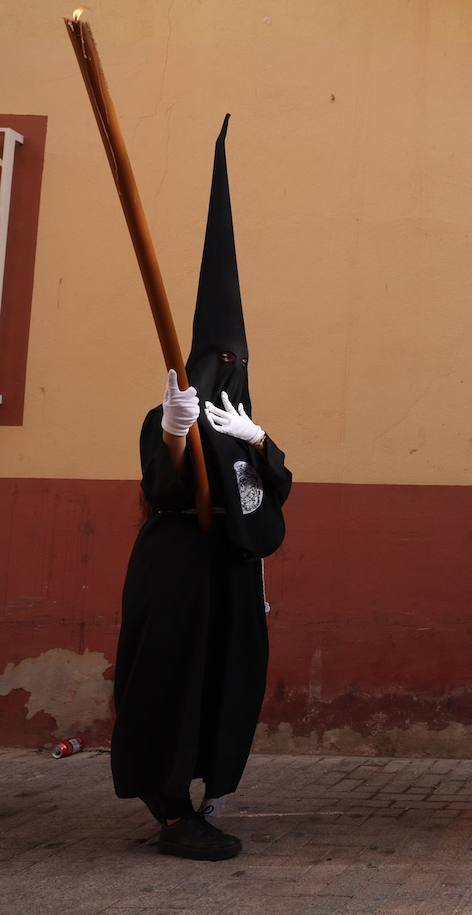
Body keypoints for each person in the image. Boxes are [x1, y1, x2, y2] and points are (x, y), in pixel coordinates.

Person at [111, 116, 291, 861]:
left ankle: (210, 788)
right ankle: (169, 806)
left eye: (236, 357)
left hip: (233, 579)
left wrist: (259, 441)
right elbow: (164, 484)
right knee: (171, 680)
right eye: (219, 357)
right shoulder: (172, 411)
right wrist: (177, 433)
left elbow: (277, 489)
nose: (229, 367)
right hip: (181, 575)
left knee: (229, 679)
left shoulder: (243, 417)